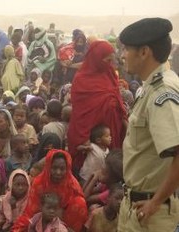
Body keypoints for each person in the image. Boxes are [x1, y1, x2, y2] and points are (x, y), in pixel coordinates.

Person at [117, 18, 179, 232]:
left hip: (152, 214)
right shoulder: (149, 87)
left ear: (144, 52)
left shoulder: (162, 93)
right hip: (137, 206)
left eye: (126, 49)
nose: (122, 55)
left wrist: (155, 203)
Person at [68, 40, 127, 171]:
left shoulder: (110, 73)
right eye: (107, 60)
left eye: (112, 60)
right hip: (92, 136)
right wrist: (83, 138)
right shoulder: (81, 79)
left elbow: (117, 97)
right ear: (96, 59)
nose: (110, 64)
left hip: (112, 130)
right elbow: (80, 112)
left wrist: (122, 117)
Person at [12, 149, 87, 232]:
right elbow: (32, 209)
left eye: (62, 169)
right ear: (48, 166)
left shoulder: (72, 184)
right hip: (41, 216)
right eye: (54, 168)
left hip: (64, 221)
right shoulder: (39, 182)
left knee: (80, 203)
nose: (58, 172)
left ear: (67, 169)